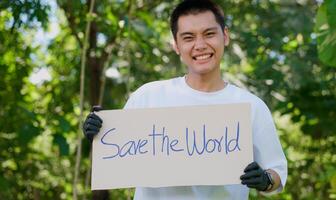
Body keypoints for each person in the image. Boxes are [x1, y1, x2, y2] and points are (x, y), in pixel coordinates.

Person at [83, 0, 287, 199]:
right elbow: (118, 157)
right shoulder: (147, 97)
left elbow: (276, 172)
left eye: (209, 34)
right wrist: (99, 134)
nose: (200, 45)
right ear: (176, 45)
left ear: (225, 36)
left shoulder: (251, 106)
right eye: (188, 37)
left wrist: (265, 179)